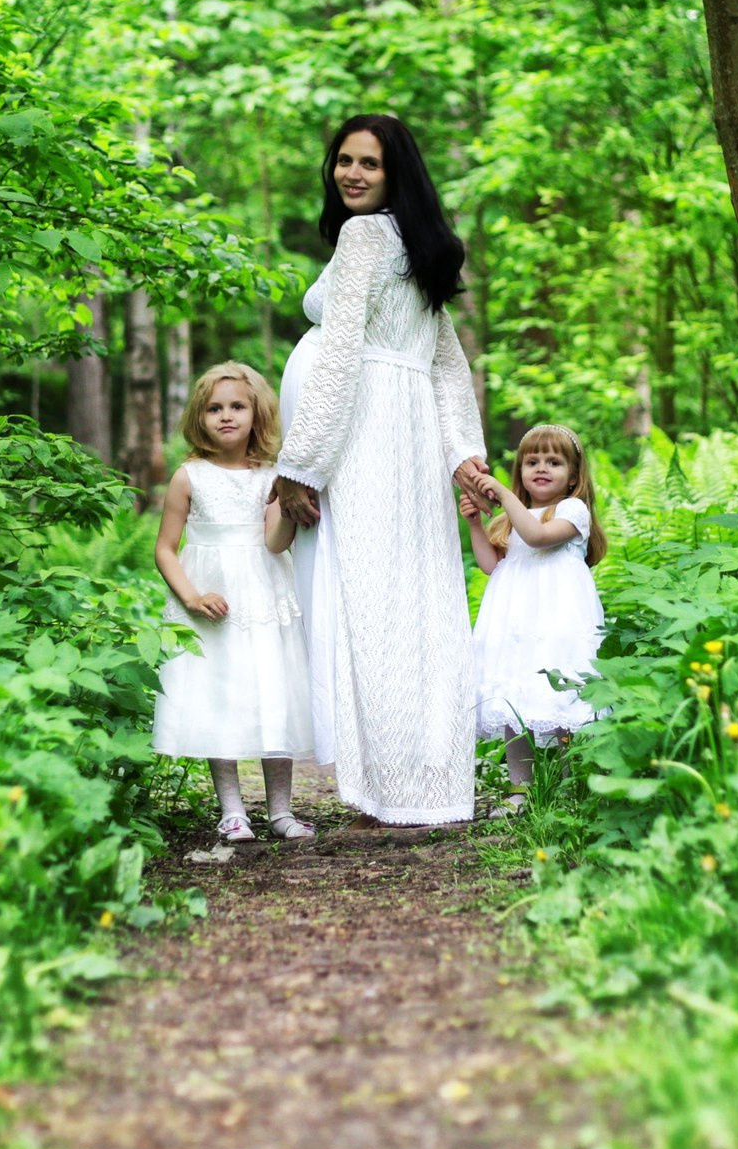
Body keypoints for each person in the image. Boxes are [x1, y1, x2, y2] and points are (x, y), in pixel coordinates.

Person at [274, 115, 491, 825]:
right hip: (410, 437)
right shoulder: (415, 244)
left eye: (370, 163)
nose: (353, 173)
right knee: (421, 601)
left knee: (371, 604)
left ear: (397, 174)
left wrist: (301, 464)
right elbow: (448, 368)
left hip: (365, 435)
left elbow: (340, 356)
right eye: (343, 160)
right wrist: (461, 453)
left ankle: (390, 784)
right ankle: (432, 777)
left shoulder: (365, 236)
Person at [151, 362, 316, 842]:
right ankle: (232, 810)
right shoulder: (189, 476)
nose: (226, 416)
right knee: (216, 693)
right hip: (210, 598)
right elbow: (165, 547)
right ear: (198, 418)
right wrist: (192, 596)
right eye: (214, 408)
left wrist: (288, 504)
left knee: (273, 690)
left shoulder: (271, 476)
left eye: (237, 407)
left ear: (257, 413)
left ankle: (281, 810)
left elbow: (275, 543)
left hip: (264, 591)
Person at [464, 424, 608, 817]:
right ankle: (519, 789)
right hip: (516, 618)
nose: (541, 468)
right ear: (521, 470)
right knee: (515, 696)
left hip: (557, 616)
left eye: (553, 461)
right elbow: (491, 565)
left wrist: (504, 493)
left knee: (558, 693)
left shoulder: (572, 510)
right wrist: (477, 523)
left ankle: (562, 782)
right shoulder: (514, 515)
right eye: (531, 461)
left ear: (574, 476)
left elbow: (539, 538)